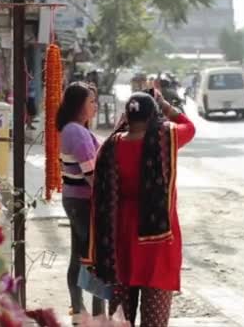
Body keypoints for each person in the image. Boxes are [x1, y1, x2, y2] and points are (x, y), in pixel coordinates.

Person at [83, 89, 196, 326]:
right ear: (153, 116)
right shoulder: (165, 139)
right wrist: (165, 105)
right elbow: (189, 126)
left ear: (127, 117)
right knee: (155, 318)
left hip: (120, 239)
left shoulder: (111, 146)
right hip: (158, 241)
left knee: (121, 318)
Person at [56, 82, 104, 324]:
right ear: (79, 105)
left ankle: (79, 311)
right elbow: (91, 173)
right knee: (95, 257)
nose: (94, 106)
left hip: (76, 200)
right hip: (83, 202)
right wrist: (107, 199)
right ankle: (95, 315)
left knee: (79, 256)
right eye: (91, 101)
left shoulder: (75, 130)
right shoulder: (76, 132)